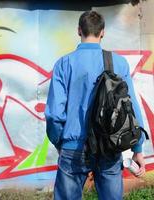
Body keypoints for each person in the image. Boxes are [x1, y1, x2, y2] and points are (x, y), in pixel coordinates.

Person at [45, 10, 146, 200]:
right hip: (109, 147)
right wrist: (137, 149)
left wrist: (59, 142)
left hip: (73, 148)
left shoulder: (64, 64)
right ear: (103, 32)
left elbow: (54, 115)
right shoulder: (118, 63)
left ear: (78, 30)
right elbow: (131, 108)